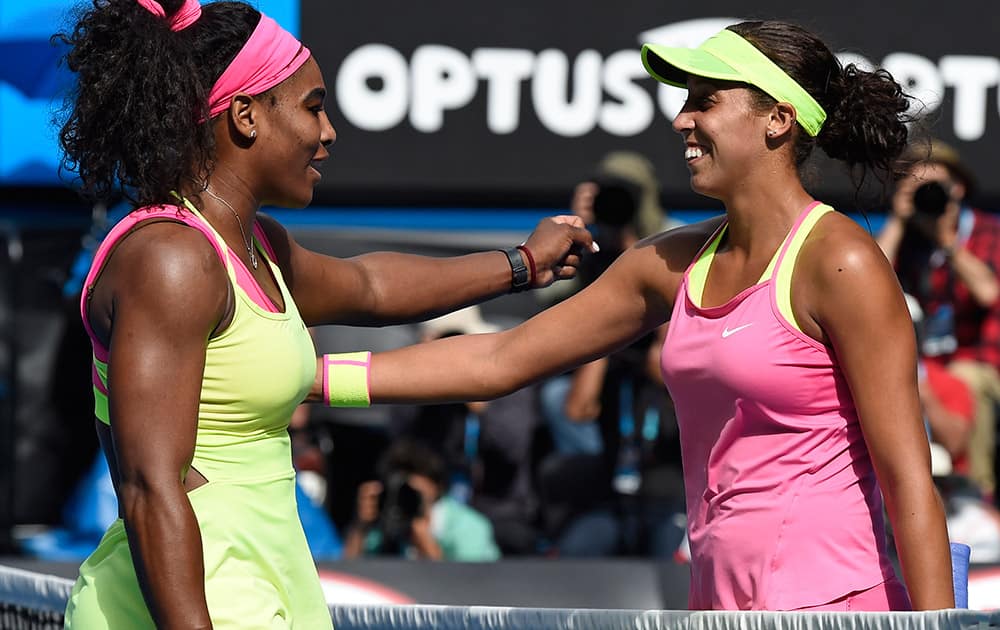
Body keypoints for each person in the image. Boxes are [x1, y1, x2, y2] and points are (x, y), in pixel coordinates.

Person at [314, 21, 955, 610]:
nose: (681, 119)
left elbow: (908, 479)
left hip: (837, 607)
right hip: (716, 604)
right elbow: (498, 359)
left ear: (778, 119)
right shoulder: (668, 262)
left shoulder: (842, 261)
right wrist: (307, 375)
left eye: (705, 99)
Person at [55, 0, 594, 627]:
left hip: (263, 581)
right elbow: (151, 488)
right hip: (193, 604)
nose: (329, 131)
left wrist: (522, 263)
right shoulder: (172, 259)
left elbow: (369, 285)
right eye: (313, 106)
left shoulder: (257, 245)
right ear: (247, 115)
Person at [876, 139, 1000, 502]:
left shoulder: (986, 232)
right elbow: (867, 280)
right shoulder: (909, 240)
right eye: (917, 187)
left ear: (958, 189)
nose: (928, 196)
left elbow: (988, 294)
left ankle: (976, 495)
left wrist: (948, 243)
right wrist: (899, 221)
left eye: (936, 187)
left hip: (978, 363)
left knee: (962, 382)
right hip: (921, 362)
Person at [342, 439, 501, 561]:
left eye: (414, 493)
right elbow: (351, 579)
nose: (407, 498)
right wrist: (360, 527)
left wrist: (423, 537)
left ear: (437, 487)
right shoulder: (386, 528)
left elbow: (467, 589)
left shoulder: (471, 528)